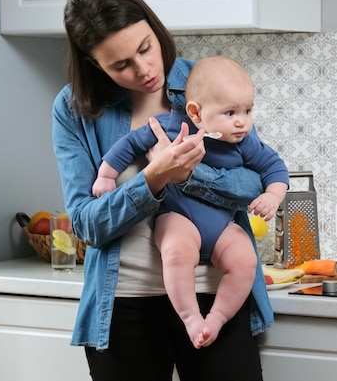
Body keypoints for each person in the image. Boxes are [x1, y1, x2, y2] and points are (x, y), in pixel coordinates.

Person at [53, 0, 273, 381]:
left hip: (213, 293)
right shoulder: (74, 110)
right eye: (121, 65)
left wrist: (192, 177)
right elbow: (85, 224)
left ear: (154, 28)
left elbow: (253, 182)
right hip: (123, 309)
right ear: (93, 64)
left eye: (145, 48)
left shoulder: (204, 82)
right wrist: (151, 179)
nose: (145, 69)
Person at [92, 56, 289, 348]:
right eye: (231, 112)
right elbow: (128, 145)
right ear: (196, 112)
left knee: (245, 260)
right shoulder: (168, 127)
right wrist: (107, 175)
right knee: (176, 253)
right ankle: (191, 318)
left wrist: (273, 195)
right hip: (178, 218)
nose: (242, 121)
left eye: (248, 110)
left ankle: (217, 318)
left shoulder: (243, 141)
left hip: (223, 227)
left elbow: (275, 168)